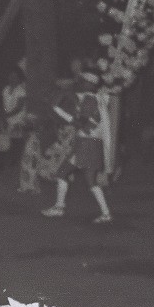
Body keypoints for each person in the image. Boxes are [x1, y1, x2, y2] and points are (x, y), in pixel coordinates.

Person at [42, 73, 113, 223]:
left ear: (91, 84)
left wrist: (59, 110)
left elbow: (81, 123)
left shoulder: (90, 99)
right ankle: (105, 213)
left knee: (64, 174)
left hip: (87, 144)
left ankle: (60, 207)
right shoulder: (95, 98)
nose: (80, 83)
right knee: (87, 180)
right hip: (90, 143)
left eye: (83, 81)